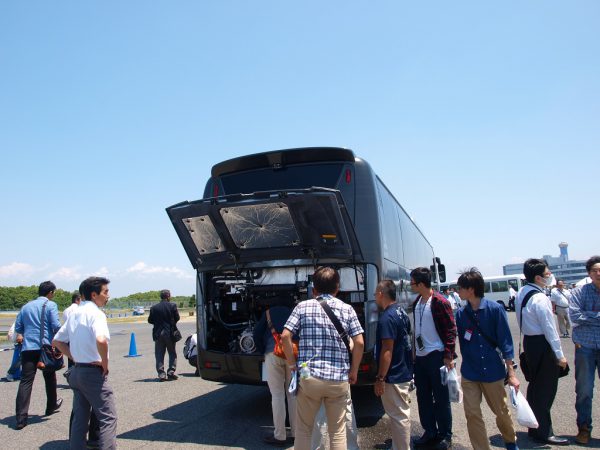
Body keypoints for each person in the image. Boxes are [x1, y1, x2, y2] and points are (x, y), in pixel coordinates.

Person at [281, 267, 364, 450]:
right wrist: (354, 370)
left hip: (310, 378)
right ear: (337, 288)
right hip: (338, 379)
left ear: (314, 289)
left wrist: (292, 364)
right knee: (337, 432)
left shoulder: (302, 307)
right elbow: (359, 343)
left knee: (304, 430)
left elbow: (285, 337)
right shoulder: (347, 309)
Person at [455, 268, 520, 450]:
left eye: (460, 287)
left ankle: (510, 440)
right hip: (470, 372)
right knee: (472, 414)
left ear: (471, 289)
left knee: (501, 411)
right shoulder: (460, 314)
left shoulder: (495, 309)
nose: (457, 291)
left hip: (493, 371)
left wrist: (511, 372)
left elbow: (505, 341)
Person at [53, 276, 117, 449]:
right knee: (108, 417)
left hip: (77, 372)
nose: (108, 296)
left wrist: (74, 356)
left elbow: (57, 342)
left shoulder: (74, 313)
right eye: (105, 292)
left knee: (80, 418)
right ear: (94, 294)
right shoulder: (96, 314)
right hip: (92, 373)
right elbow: (101, 340)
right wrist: (105, 363)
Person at [515, 258, 568, 445]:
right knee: (546, 390)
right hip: (542, 344)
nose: (549, 276)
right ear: (538, 278)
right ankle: (545, 433)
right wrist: (560, 355)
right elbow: (550, 329)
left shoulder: (523, 292)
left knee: (535, 388)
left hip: (530, 343)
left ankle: (534, 428)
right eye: (547, 274)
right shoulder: (540, 298)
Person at [410, 267, 456, 450]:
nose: (411, 286)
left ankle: (445, 435)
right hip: (420, 358)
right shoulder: (417, 301)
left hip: (436, 356)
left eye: (412, 283)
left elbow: (451, 331)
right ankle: (430, 431)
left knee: (441, 398)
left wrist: (448, 355)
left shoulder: (439, 302)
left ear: (421, 284)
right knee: (423, 396)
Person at [14, 280, 63, 430]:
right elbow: (56, 326)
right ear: (50, 293)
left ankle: (21, 418)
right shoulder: (50, 305)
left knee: (26, 381)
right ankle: (51, 405)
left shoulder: (26, 307)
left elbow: (19, 327)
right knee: (50, 376)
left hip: (28, 348)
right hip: (44, 348)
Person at [374, 279, 413, 450]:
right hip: (403, 368)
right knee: (399, 415)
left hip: (394, 374)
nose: (375, 296)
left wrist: (381, 377)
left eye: (376, 293)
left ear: (381, 294)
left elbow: (387, 350)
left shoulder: (387, 318)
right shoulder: (401, 312)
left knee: (399, 416)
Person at [253, 304, 296, 447]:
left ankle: (280, 436)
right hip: (291, 354)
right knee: (292, 395)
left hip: (272, 353)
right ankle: (296, 433)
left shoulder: (268, 313)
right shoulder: (293, 311)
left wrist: (262, 351)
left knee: (277, 396)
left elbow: (257, 333)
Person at [569, 255, 600, 445]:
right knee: (584, 390)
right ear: (589, 273)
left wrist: (589, 316)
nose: (598, 273)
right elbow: (575, 315)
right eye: (595, 270)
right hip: (585, 347)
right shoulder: (580, 292)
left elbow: (582, 316)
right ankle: (583, 428)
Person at [148, 289, 180, 381]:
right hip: (170, 333)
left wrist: (158, 323)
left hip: (158, 334)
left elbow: (150, 320)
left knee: (159, 354)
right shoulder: (172, 306)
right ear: (168, 296)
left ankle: (161, 374)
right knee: (172, 353)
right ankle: (171, 372)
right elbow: (177, 317)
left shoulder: (154, 308)